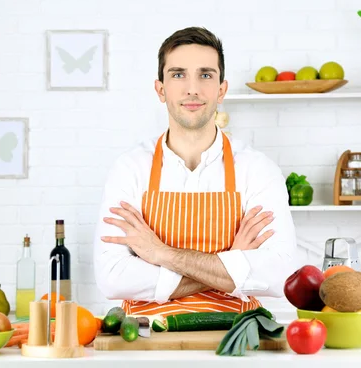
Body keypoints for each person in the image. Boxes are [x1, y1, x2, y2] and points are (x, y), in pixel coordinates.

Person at [93, 27, 296, 316]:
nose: (192, 89)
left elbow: (278, 275)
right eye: (178, 74)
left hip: (234, 336)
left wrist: (160, 254)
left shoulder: (257, 169)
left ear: (221, 89)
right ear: (160, 90)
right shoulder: (130, 169)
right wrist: (228, 266)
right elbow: (112, 277)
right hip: (143, 338)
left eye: (205, 75)